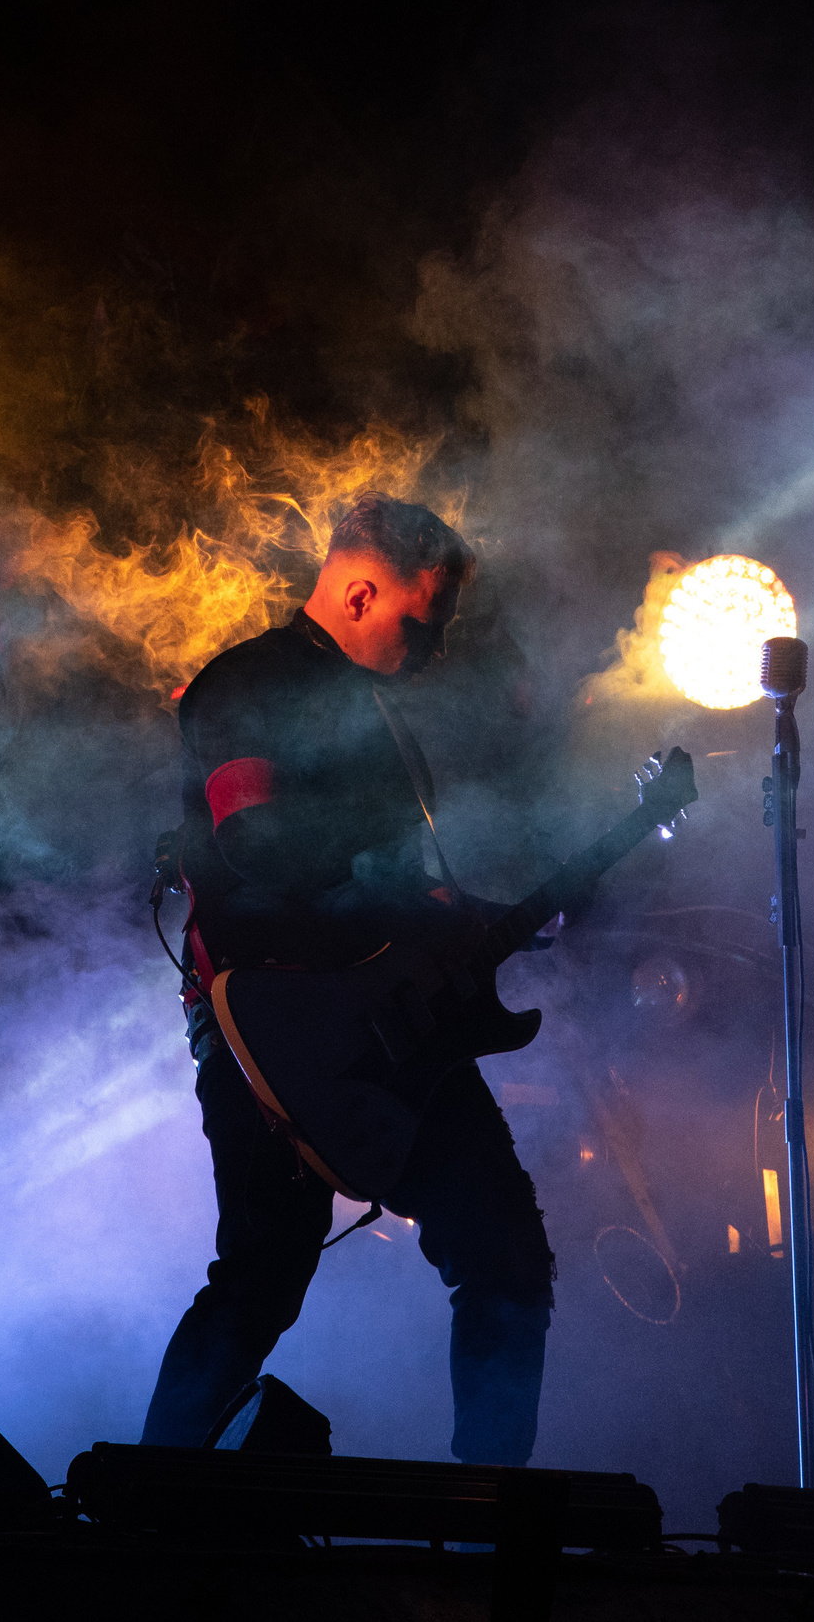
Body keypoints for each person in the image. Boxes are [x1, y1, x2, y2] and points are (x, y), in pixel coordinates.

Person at [138, 494, 555, 1464]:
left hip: (397, 1027)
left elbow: (391, 897)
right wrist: (405, 897)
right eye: (424, 622)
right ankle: (142, 1507)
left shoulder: (374, 715)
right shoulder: (252, 681)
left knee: (504, 1255)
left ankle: (493, 1516)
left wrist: (469, 916)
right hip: (276, 1028)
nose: (434, 650)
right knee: (262, 1272)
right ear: (362, 592)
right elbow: (255, 838)